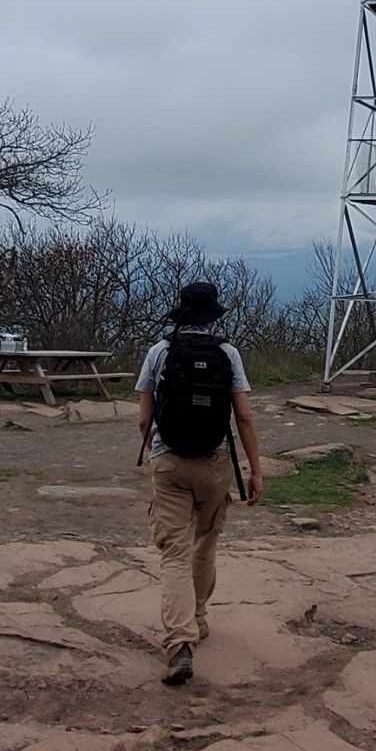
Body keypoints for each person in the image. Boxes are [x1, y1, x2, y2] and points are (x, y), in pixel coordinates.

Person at [134, 281, 263, 686]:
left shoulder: (160, 351)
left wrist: (154, 449)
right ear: (213, 317)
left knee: (174, 554)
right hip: (213, 463)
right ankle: (200, 618)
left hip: (169, 461)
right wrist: (255, 471)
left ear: (181, 314)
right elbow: (243, 417)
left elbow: (143, 417)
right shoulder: (227, 353)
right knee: (204, 547)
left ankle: (179, 644)